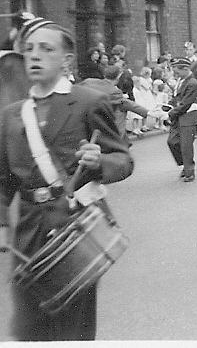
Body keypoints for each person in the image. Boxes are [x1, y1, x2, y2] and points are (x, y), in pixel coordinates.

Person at [0, 17, 133, 341]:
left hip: (76, 229)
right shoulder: (11, 114)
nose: (34, 55)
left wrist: (99, 161)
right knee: (28, 329)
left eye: (46, 49)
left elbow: (124, 160)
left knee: (73, 330)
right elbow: (3, 180)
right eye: (29, 49)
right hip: (28, 235)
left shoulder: (88, 102)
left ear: (67, 61)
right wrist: (3, 224)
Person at [79, 65, 149, 140]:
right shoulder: (115, 92)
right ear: (118, 77)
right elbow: (126, 104)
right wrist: (147, 112)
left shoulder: (89, 82)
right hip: (113, 134)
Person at [166, 57, 197, 182]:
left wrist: (169, 114)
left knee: (186, 145)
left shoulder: (192, 83)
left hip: (188, 116)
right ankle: (185, 164)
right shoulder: (181, 80)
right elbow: (176, 98)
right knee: (172, 141)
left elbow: (186, 104)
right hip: (178, 115)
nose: (175, 74)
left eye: (177, 71)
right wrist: (167, 106)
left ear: (185, 69)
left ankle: (189, 171)